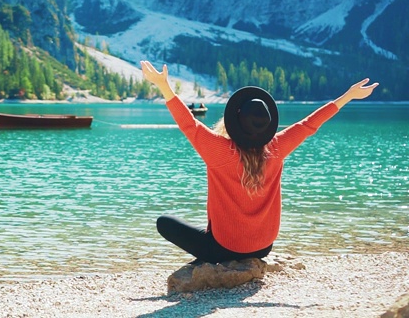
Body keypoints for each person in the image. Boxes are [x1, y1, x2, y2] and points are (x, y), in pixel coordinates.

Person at [140, 60, 379, 264]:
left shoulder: (220, 151)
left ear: (233, 121)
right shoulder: (276, 147)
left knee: (165, 223)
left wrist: (163, 85)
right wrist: (348, 96)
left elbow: (189, 124)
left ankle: (212, 260)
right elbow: (309, 125)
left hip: (225, 249)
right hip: (264, 247)